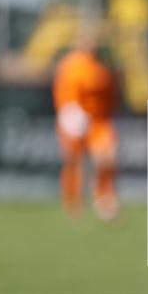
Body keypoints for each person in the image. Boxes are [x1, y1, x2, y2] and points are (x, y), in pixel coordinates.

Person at [53, 26, 121, 221]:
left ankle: (104, 199)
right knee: (73, 161)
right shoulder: (71, 66)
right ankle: (73, 203)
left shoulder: (103, 66)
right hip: (75, 118)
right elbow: (65, 95)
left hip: (99, 121)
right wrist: (71, 117)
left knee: (107, 158)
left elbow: (109, 95)